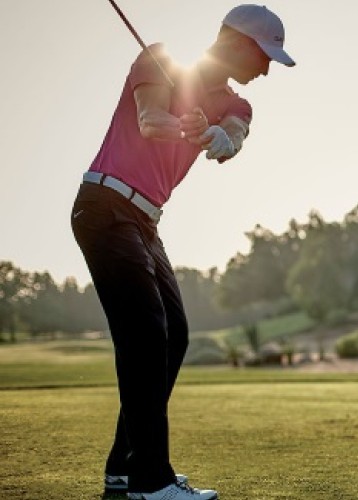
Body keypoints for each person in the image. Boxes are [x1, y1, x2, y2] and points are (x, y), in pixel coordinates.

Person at [71, 5, 294, 499]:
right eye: (265, 56)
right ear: (238, 42)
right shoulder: (158, 60)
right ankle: (152, 482)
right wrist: (184, 126)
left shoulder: (237, 105)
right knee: (147, 336)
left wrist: (217, 136)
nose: (266, 68)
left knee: (174, 336)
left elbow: (233, 138)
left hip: (145, 221)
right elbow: (150, 121)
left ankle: (124, 470)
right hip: (105, 206)